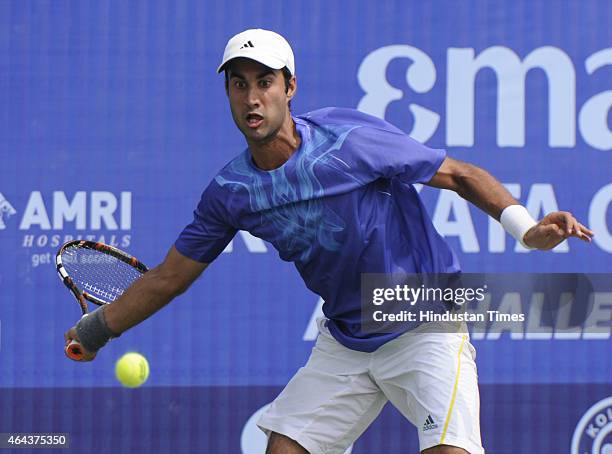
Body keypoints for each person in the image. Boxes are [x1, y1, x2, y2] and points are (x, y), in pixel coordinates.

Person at [64, 29, 594, 454]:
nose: (252, 97)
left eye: (265, 81)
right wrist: (95, 329)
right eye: (239, 84)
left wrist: (526, 229)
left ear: (289, 88)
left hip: (425, 321)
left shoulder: (350, 141)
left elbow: (456, 174)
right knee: (285, 448)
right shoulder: (231, 192)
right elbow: (169, 278)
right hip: (346, 339)